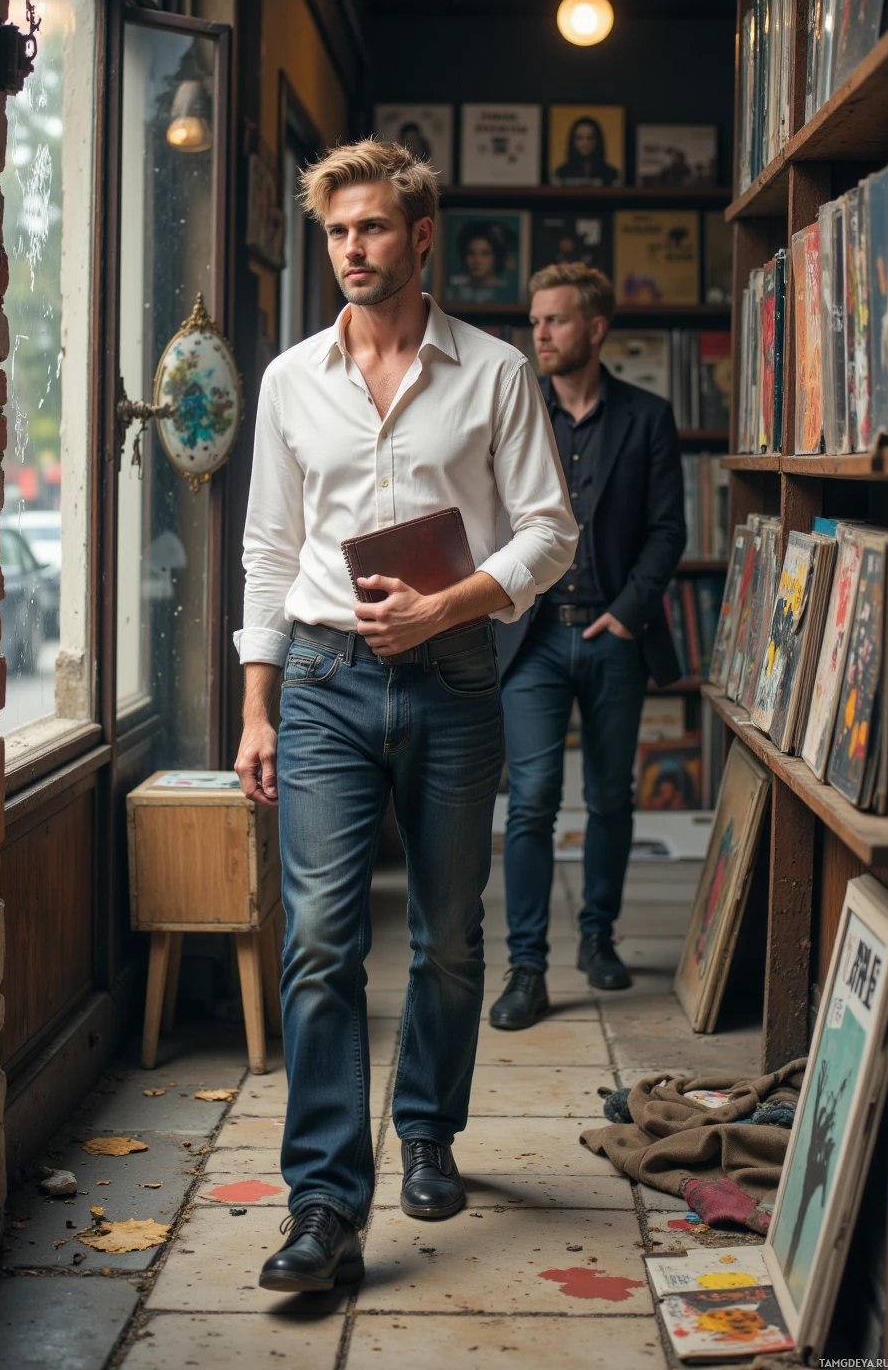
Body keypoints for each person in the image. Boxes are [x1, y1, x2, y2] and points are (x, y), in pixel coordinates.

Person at [234, 141, 577, 1291]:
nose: (352, 249)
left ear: (420, 235)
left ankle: (427, 1127)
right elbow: (269, 549)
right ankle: (324, 1200)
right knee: (320, 941)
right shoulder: (290, 380)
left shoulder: (494, 373)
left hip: (455, 678)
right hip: (323, 683)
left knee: (448, 936)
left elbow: (548, 531)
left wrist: (448, 605)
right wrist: (257, 706)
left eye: (372, 227)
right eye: (338, 231)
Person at [490, 261, 686, 1029]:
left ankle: (598, 936)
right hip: (533, 637)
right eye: (535, 319)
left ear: (596, 328)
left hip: (614, 634)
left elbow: (668, 530)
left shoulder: (648, 417)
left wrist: (631, 613)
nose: (539, 333)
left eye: (556, 320)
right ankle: (527, 966)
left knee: (609, 797)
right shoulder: (516, 414)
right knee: (532, 800)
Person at [554, 116, 621, 186]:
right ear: (573, 141)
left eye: (590, 138)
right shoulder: (560, 174)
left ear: (597, 141)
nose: (585, 143)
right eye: (579, 138)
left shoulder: (612, 175)